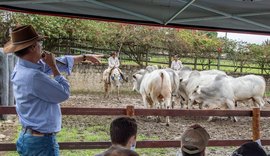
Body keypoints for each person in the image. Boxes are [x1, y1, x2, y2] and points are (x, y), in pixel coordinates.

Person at [3, 25, 102, 156]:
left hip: (29, 138)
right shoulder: (34, 77)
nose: (42, 47)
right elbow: (64, 93)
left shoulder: (22, 67)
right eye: (40, 43)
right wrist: (54, 67)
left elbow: (57, 62)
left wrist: (84, 57)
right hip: (41, 143)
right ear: (33, 47)